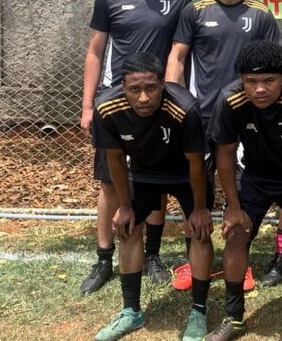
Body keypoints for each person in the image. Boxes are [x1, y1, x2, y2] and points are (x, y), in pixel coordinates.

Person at [80, 0, 190, 294]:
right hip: (116, 101)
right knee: (110, 182)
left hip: (160, 104)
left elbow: (180, 54)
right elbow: (95, 51)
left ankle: (153, 255)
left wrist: (176, 98)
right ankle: (103, 258)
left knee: (156, 181)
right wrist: (88, 105)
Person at [165, 0, 281, 291]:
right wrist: (175, 104)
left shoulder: (260, 14)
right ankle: (194, 260)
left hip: (246, 119)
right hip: (201, 117)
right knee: (196, 192)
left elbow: (275, 65)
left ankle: (239, 260)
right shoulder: (195, 11)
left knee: (240, 192)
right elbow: (177, 57)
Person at [204, 40, 282, 341]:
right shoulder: (230, 100)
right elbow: (224, 153)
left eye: (269, 80)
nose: (259, 89)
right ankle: (233, 318)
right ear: (241, 80)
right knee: (235, 232)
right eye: (251, 81)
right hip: (255, 176)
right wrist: (233, 208)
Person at [91, 53, 213, 341]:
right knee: (127, 228)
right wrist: (124, 206)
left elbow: (196, 163)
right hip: (144, 171)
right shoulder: (106, 108)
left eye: (151, 88)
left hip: (185, 172)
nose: (143, 98)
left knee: (199, 232)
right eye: (134, 89)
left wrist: (199, 209)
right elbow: (115, 159)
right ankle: (131, 312)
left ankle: (198, 313)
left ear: (162, 85)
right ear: (122, 87)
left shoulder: (185, 108)